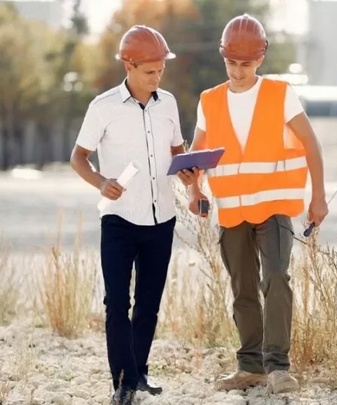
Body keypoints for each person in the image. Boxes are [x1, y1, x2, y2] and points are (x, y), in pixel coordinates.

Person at [187, 14, 329, 394]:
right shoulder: (209, 101)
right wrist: (193, 190)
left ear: (260, 60)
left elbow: (311, 144)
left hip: (275, 206)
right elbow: (197, 155)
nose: (237, 71)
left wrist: (319, 196)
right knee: (243, 288)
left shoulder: (281, 94)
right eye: (231, 63)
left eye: (245, 64)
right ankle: (250, 367)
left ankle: (279, 366)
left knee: (277, 278)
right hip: (232, 210)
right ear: (223, 58)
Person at [70, 25, 197, 405]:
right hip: (120, 219)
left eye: (160, 70)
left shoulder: (169, 103)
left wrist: (188, 171)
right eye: (149, 71)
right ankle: (122, 382)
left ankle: (139, 374)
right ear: (128, 65)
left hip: (163, 217)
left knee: (149, 303)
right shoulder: (103, 107)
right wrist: (99, 181)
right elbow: (78, 158)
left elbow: (178, 151)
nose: (157, 77)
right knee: (117, 304)